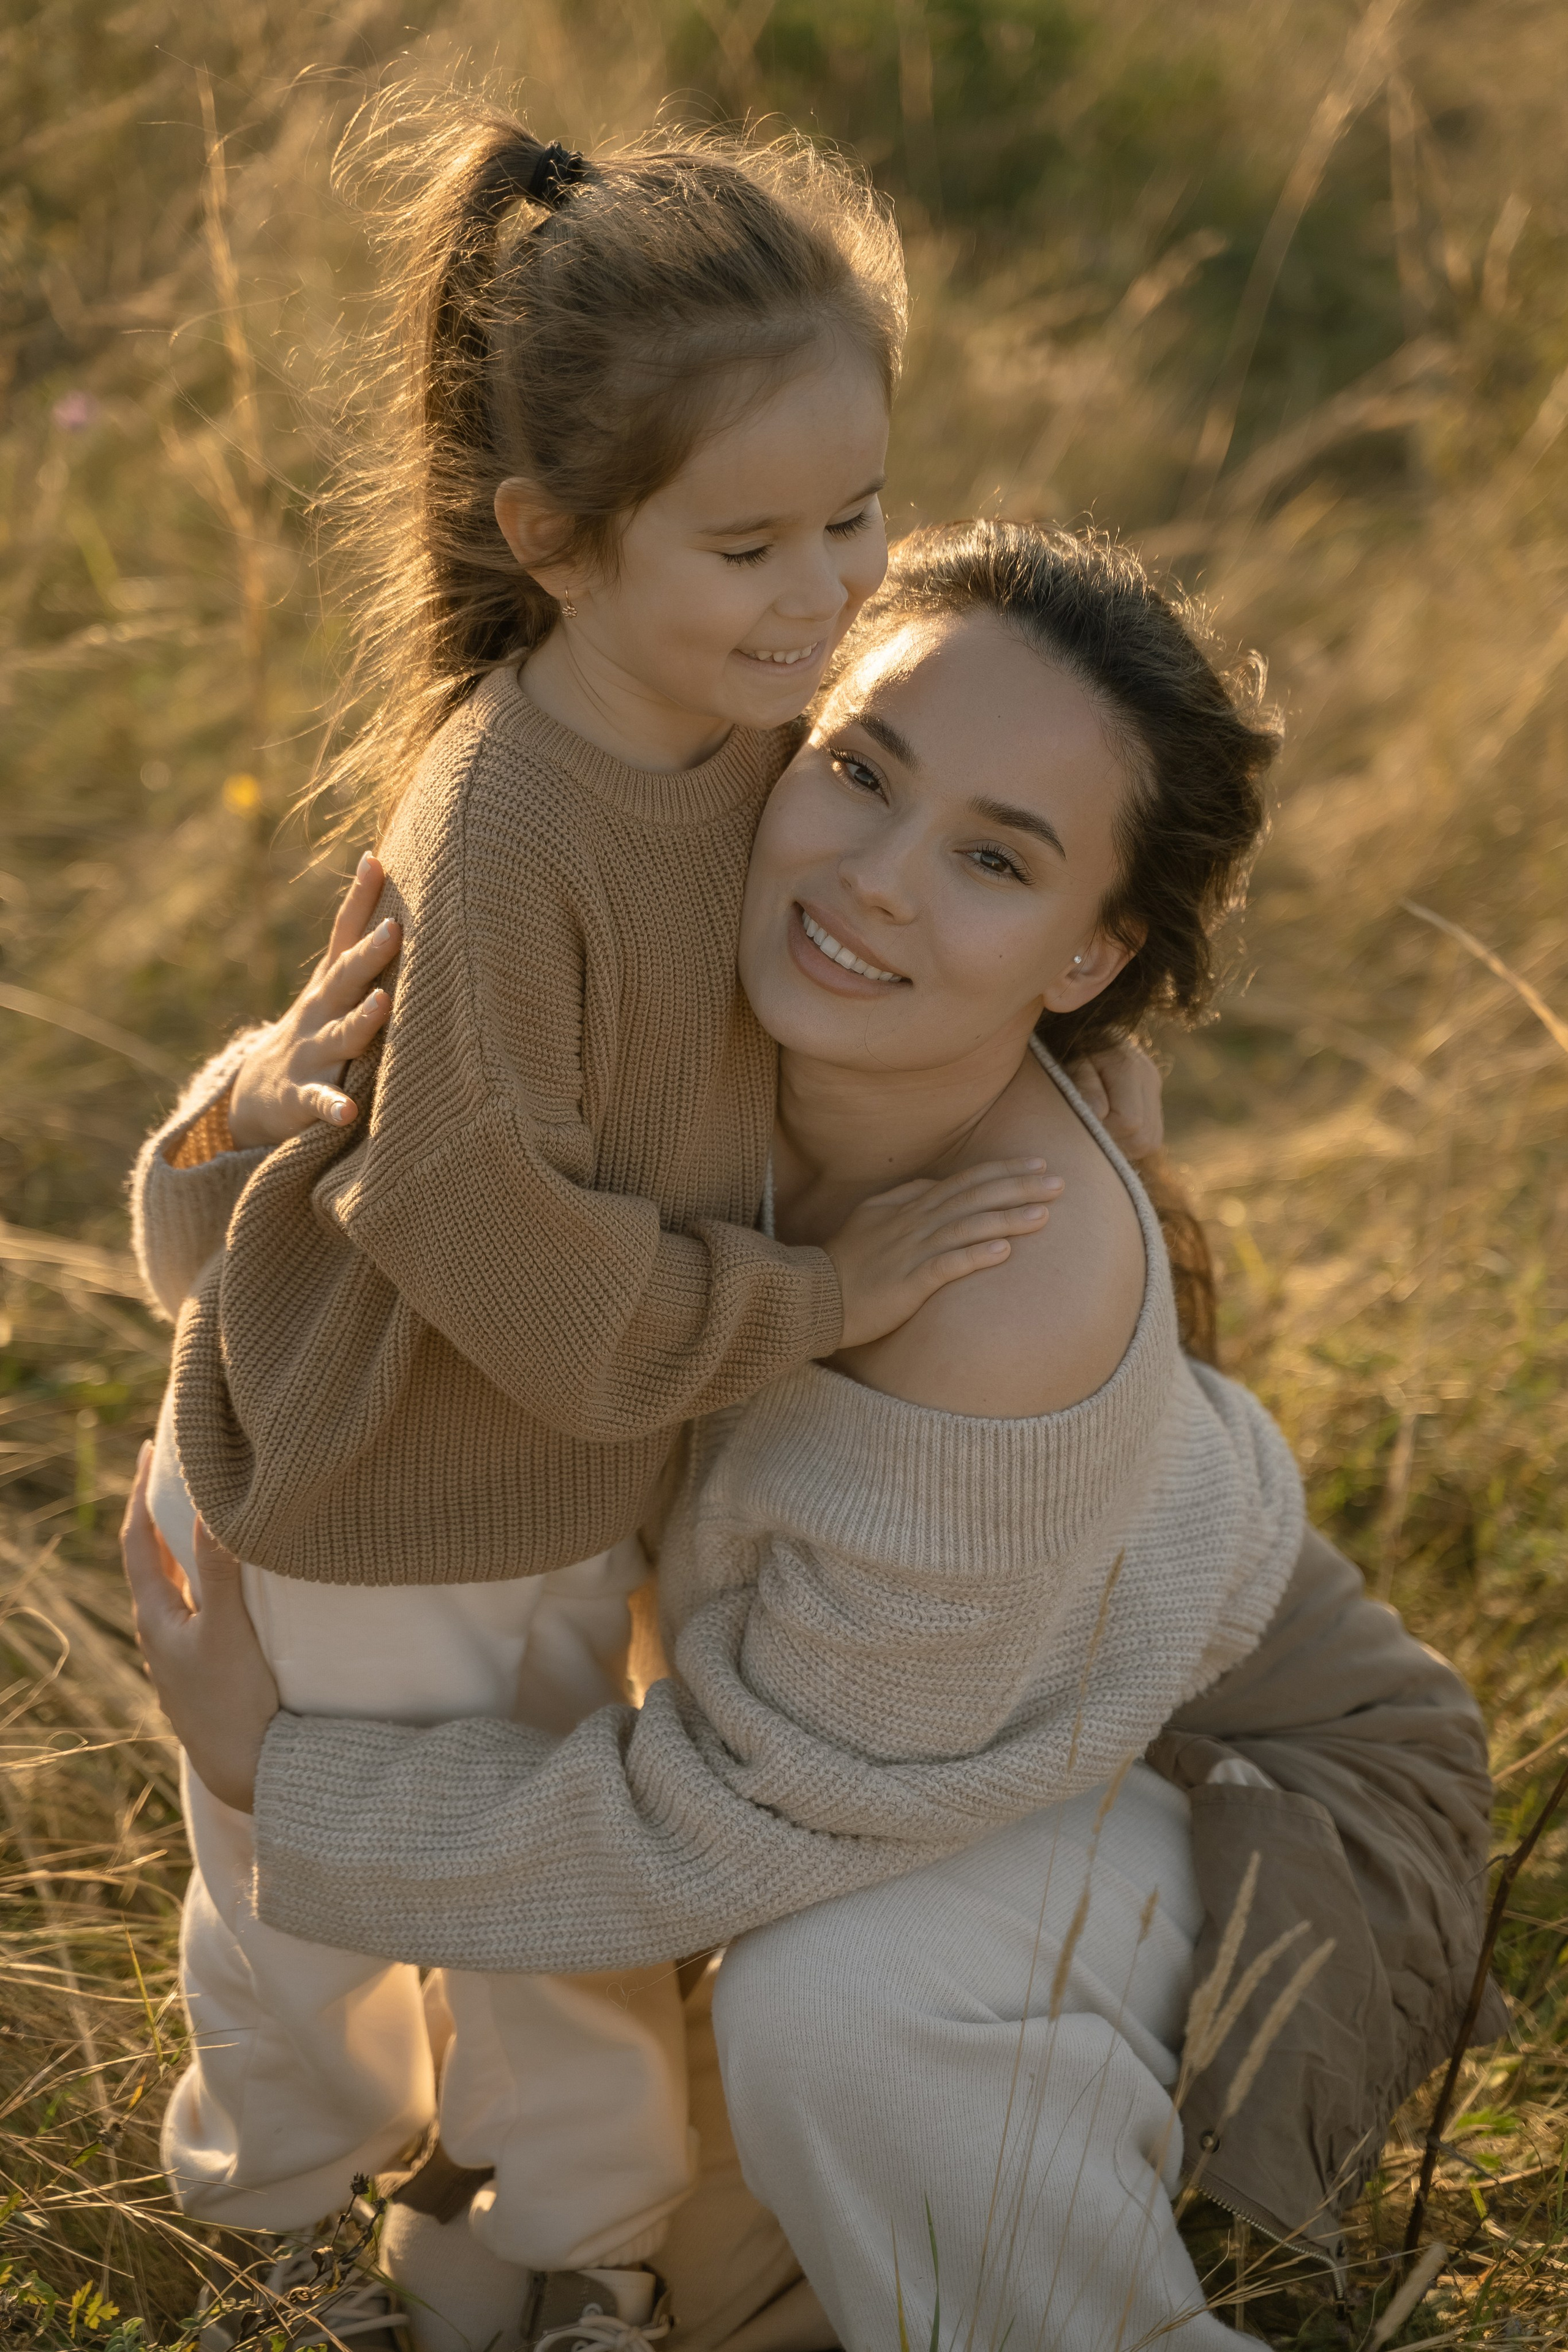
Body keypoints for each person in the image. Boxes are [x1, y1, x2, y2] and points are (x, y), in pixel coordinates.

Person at [124, 520, 1502, 2350]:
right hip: (882, 1737)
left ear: (1087, 958)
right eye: (861, 770)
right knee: (699, 2265)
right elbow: (259, 1276)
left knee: (832, 2021)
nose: (874, 884)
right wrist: (265, 1112)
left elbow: (740, 1811)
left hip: (1220, 1761)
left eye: (995, 861)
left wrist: (272, 1771)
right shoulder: (661, 976)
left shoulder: (1004, 1286)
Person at [136, 110, 1161, 2344]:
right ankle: (358, 2237)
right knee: (369, 1917)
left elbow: (880, 939)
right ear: (556, 540)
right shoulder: (513, 812)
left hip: (562, 1463)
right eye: (753, 542)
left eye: (859, 520)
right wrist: (807, 1301)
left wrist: (1068, 1070)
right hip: (384, 1470)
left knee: (547, 1912)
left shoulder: (743, 729)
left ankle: (534, 2246)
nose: (825, 594)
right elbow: (463, 1211)